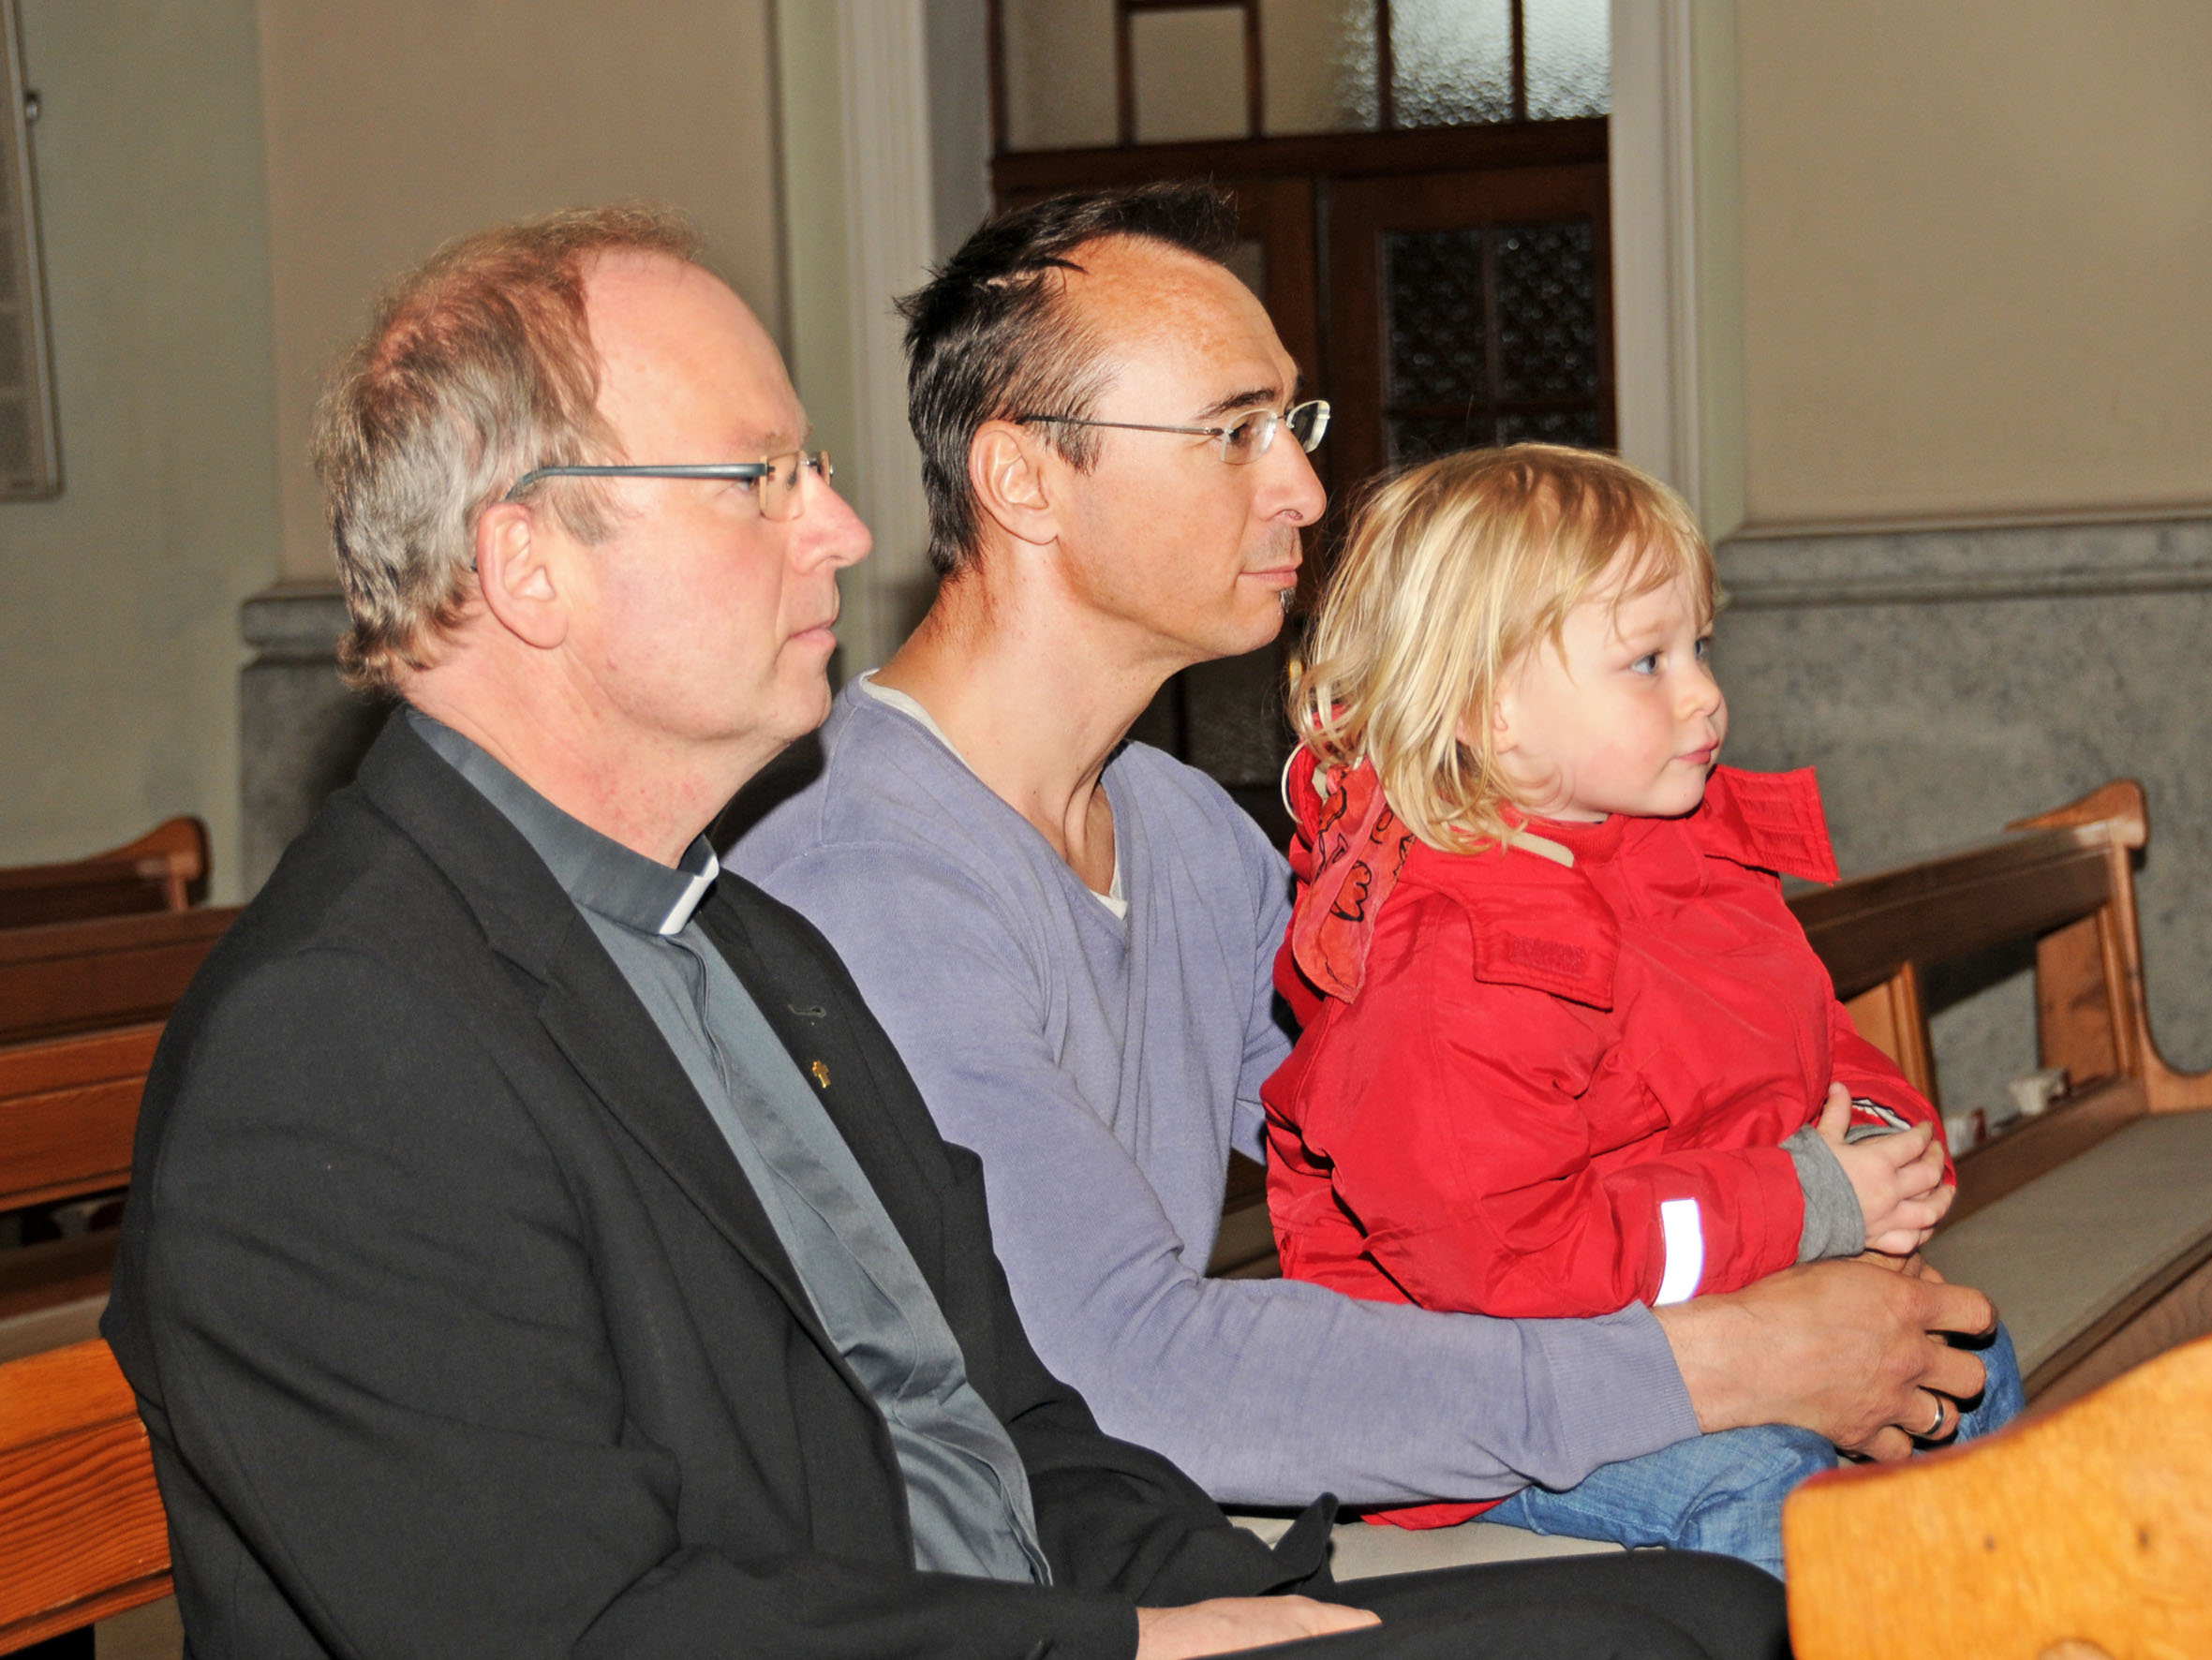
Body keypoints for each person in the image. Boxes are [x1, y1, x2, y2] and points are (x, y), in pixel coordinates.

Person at [101, 205, 1789, 1659]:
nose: (841, 531)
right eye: (758, 481)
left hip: (1033, 1606)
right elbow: (580, 1627)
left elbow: (1009, 1410)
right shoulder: (338, 1044)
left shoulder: (737, 943)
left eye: (817, 473)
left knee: (1704, 1615)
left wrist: (1230, 1603)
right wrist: (1123, 1644)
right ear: (527, 564)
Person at [733, 182, 1997, 1525]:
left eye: (1295, 423)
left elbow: (1464, 1158)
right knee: (1769, 1520)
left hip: (1134, 1502)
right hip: (988, 1559)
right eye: (1234, 432)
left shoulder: (1182, 828)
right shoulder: (865, 881)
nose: (1302, 488)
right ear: (1023, 480)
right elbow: (1129, 1374)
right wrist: (1723, 1362)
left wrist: (1797, 1212)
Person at [1260, 444, 2025, 1576]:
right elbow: (1508, 1261)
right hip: (1500, 1396)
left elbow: (1816, 1040)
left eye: (1699, 646)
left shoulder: (1681, 858)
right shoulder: (1450, 953)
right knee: (1764, 1484)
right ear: (1488, 709)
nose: (1703, 693)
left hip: (1714, 1288)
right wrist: (1808, 1204)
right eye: (1646, 661)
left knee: (1967, 1357)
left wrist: (1877, 1155)